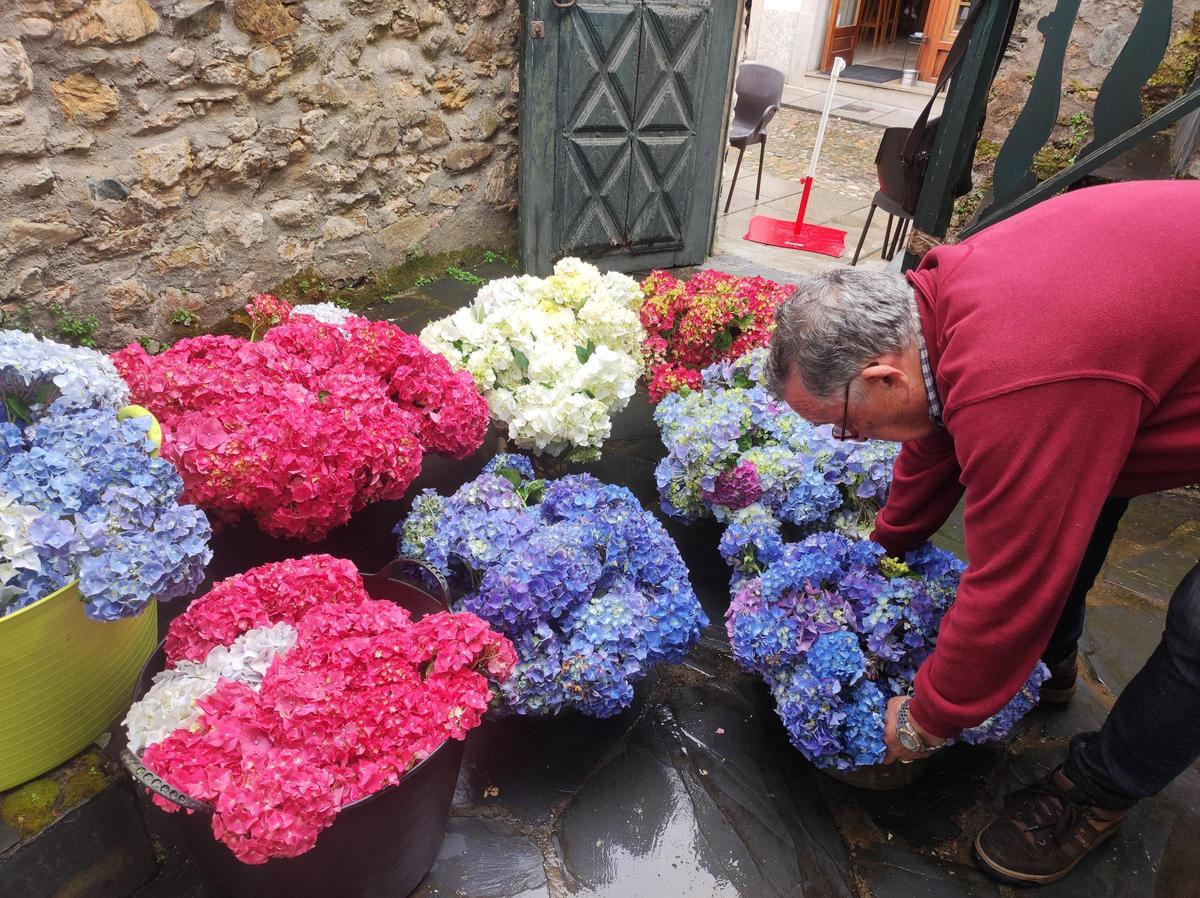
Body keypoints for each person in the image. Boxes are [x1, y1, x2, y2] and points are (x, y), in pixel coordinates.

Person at [765, 180, 1200, 886]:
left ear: (881, 377)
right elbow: (935, 434)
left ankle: (1098, 790)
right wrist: (884, 550)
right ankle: (1050, 666)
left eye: (840, 424)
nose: (847, 441)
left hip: (1087, 357)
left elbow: (1015, 578)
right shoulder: (940, 312)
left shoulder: (1019, 377)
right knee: (1082, 491)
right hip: (1137, 334)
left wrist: (927, 719)